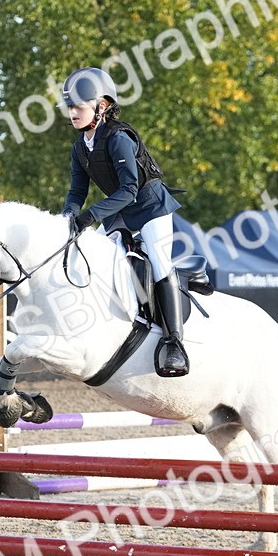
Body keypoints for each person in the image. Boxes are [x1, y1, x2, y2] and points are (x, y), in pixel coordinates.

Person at [60, 67, 189, 377]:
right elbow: (78, 189)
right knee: (103, 259)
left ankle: (174, 343)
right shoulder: (80, 147)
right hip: (119, 210)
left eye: (78, 105)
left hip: (150, 206)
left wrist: (90, 216)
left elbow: (130, 189)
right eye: (69, 106)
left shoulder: (118, 138)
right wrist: (67, 217)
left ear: (101, 107)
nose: (72, 112)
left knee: (159, 261)